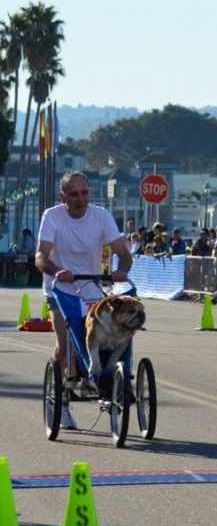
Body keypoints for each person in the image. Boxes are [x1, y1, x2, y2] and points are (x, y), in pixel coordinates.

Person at [35, 171, 132, 431]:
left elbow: (123, 253)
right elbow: (41, 257)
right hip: (60, 289)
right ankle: (62, 403)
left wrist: (121, 269)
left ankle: (108, 379)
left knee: (109, 334)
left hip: (91, 290)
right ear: (63, 197)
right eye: (74, 194)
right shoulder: (52, 216)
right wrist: (57, 271)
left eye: (85, 193)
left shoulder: (101, 216)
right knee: (66, 343)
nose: (81, 199)